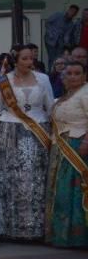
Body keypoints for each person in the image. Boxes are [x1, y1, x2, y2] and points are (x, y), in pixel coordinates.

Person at [0, 44, 54, 240]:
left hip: (38, 130)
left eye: (31, 59)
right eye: (24, 59)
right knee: (11, 178)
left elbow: (50, 106)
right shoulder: (3, 82)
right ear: (15, 61)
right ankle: (11, 228)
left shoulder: (43, 79)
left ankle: (36, 227)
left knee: (36, 178)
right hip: (10, 130)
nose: (29, 62)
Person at [46, 60, 88, 247]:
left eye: (77, 73)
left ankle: (78, 236)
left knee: (75, 191)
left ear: (84, 75)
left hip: (78, 146)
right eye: (68, 73)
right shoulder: (65, 96)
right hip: (62, 146)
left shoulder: (85, 93)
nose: (72, 77)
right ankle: (63, 235)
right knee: (62, 192)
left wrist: (86, 141)